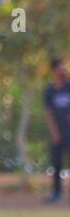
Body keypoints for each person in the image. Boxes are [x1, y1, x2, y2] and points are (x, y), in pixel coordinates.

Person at [44, 57, 70, 202]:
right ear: (54, 70)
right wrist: (54, 132)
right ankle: (56, 194)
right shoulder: (50, 90)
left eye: (64, 68)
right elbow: (48, 113)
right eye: (60, 68)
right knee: (57, 163)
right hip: (57, 133)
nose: (63, 70)